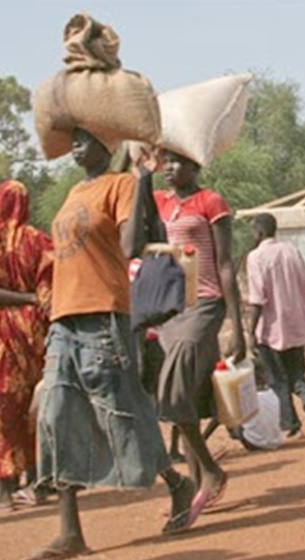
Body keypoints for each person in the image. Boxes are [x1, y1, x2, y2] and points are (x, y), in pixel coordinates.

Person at [32, 129, 197, 560]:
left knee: (122, 412)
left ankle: (177, 483)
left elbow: (129, 247)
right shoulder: (75, 191)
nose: (75, 145)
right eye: (73, 139)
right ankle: (70, 531)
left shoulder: (121, 185)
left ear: (107, 145)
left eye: (85, 139)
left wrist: (141, 179)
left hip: (103, 314)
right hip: (64, 318)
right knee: (55, 414)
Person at [153, 149, 246, 511]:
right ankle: (197, 485)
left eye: (177, 161)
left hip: (205, 302)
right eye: (166, 162)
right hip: (171, 308)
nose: (169, 168)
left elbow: (225, 264)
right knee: (187, 395)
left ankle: (209, 468)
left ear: (194, 166)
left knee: (174, 391)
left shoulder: (211, 202)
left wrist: (237, 326)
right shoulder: (158, 202)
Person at [247, 212, 305, 440]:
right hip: (296, 324)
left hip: (270, 328)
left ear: (259, 232)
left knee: (276, 379)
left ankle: (291, 425)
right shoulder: (291, 250)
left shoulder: (256, 257)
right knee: (296, 372)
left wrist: (251, 332)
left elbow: (257, 299)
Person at [0, 180, 53, 514]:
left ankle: (4, 492)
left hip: (4, 337)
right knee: (34, 409)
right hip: (35, 336)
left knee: (4, 412)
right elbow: (50, 291)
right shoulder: (38, 240)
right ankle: (36, 481)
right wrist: (34, 300)